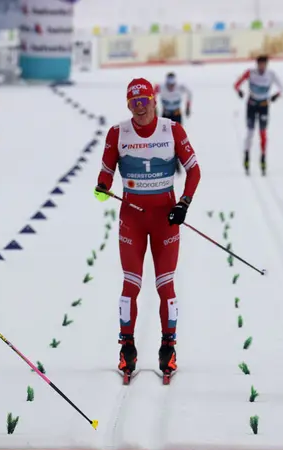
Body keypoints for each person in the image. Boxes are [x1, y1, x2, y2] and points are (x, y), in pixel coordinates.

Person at [94, 78, 201, 382]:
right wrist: (102, 187)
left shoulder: (172, 129)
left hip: (166, 218)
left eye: (144, 102)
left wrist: (184, 203)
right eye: (133, 103)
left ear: (155, 101)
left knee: (165, 285)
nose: (139, 109)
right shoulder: (117, 133)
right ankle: (126, 347)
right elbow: (105, 172)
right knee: (131, 284)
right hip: (132, 219)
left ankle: (169, 347)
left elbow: (194, 170)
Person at [234, 55, 283, 176]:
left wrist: (276, 96)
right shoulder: (250, 73)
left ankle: (263, 158)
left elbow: (282, 87)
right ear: (257, 64)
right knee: (250, 132)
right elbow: (236, 84)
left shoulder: (271, 74)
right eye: (260, 64)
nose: (262, 67)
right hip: (251, 105)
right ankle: (246, 156)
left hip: (263, 106)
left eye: (264, 64)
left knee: (263, 133)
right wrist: (239, 92)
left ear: (266, 65)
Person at [155, 72, 192, 174]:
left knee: (177, 140)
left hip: (177, 115)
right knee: (164, 140)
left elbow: (189, 93)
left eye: (172, 85)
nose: (171, 87)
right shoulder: (160, 87)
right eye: (169, 85)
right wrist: (154, 108)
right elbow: (151, 93)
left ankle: (177, 164)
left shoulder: (180, 87)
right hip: (165, 115)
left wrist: (188, 106)